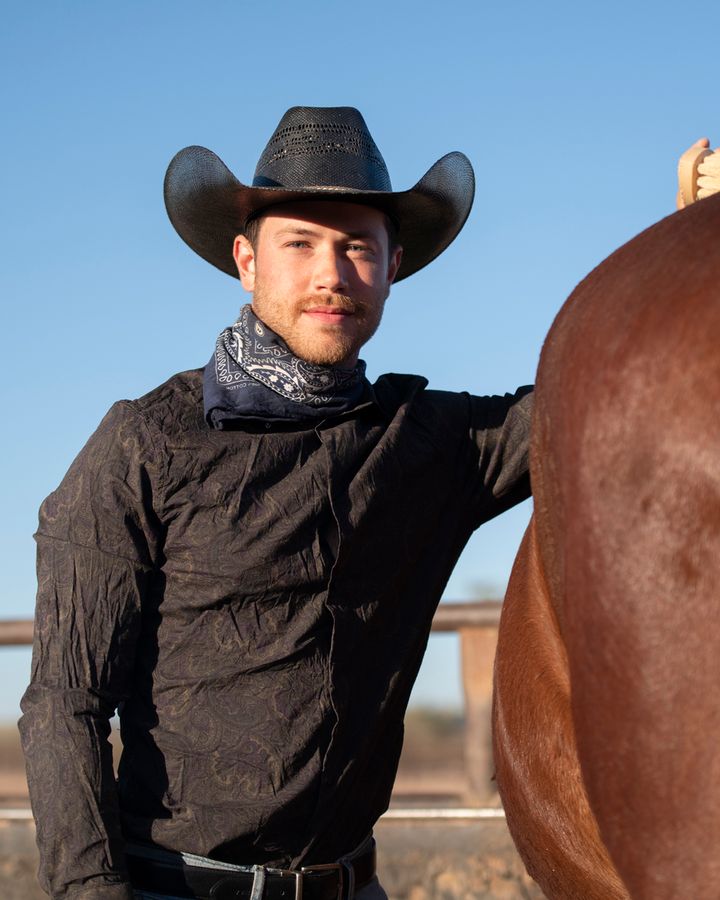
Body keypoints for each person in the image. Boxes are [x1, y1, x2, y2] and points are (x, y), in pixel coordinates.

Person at [17, 107, 716, 900]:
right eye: (301, 244)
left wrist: (694, 251)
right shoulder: (143, 445)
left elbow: (605, 397)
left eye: (357, 247)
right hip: (171, 888)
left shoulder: (430, 442)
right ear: (247, 260)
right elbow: (64, 704)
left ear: (392, 265)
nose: (332, 274)